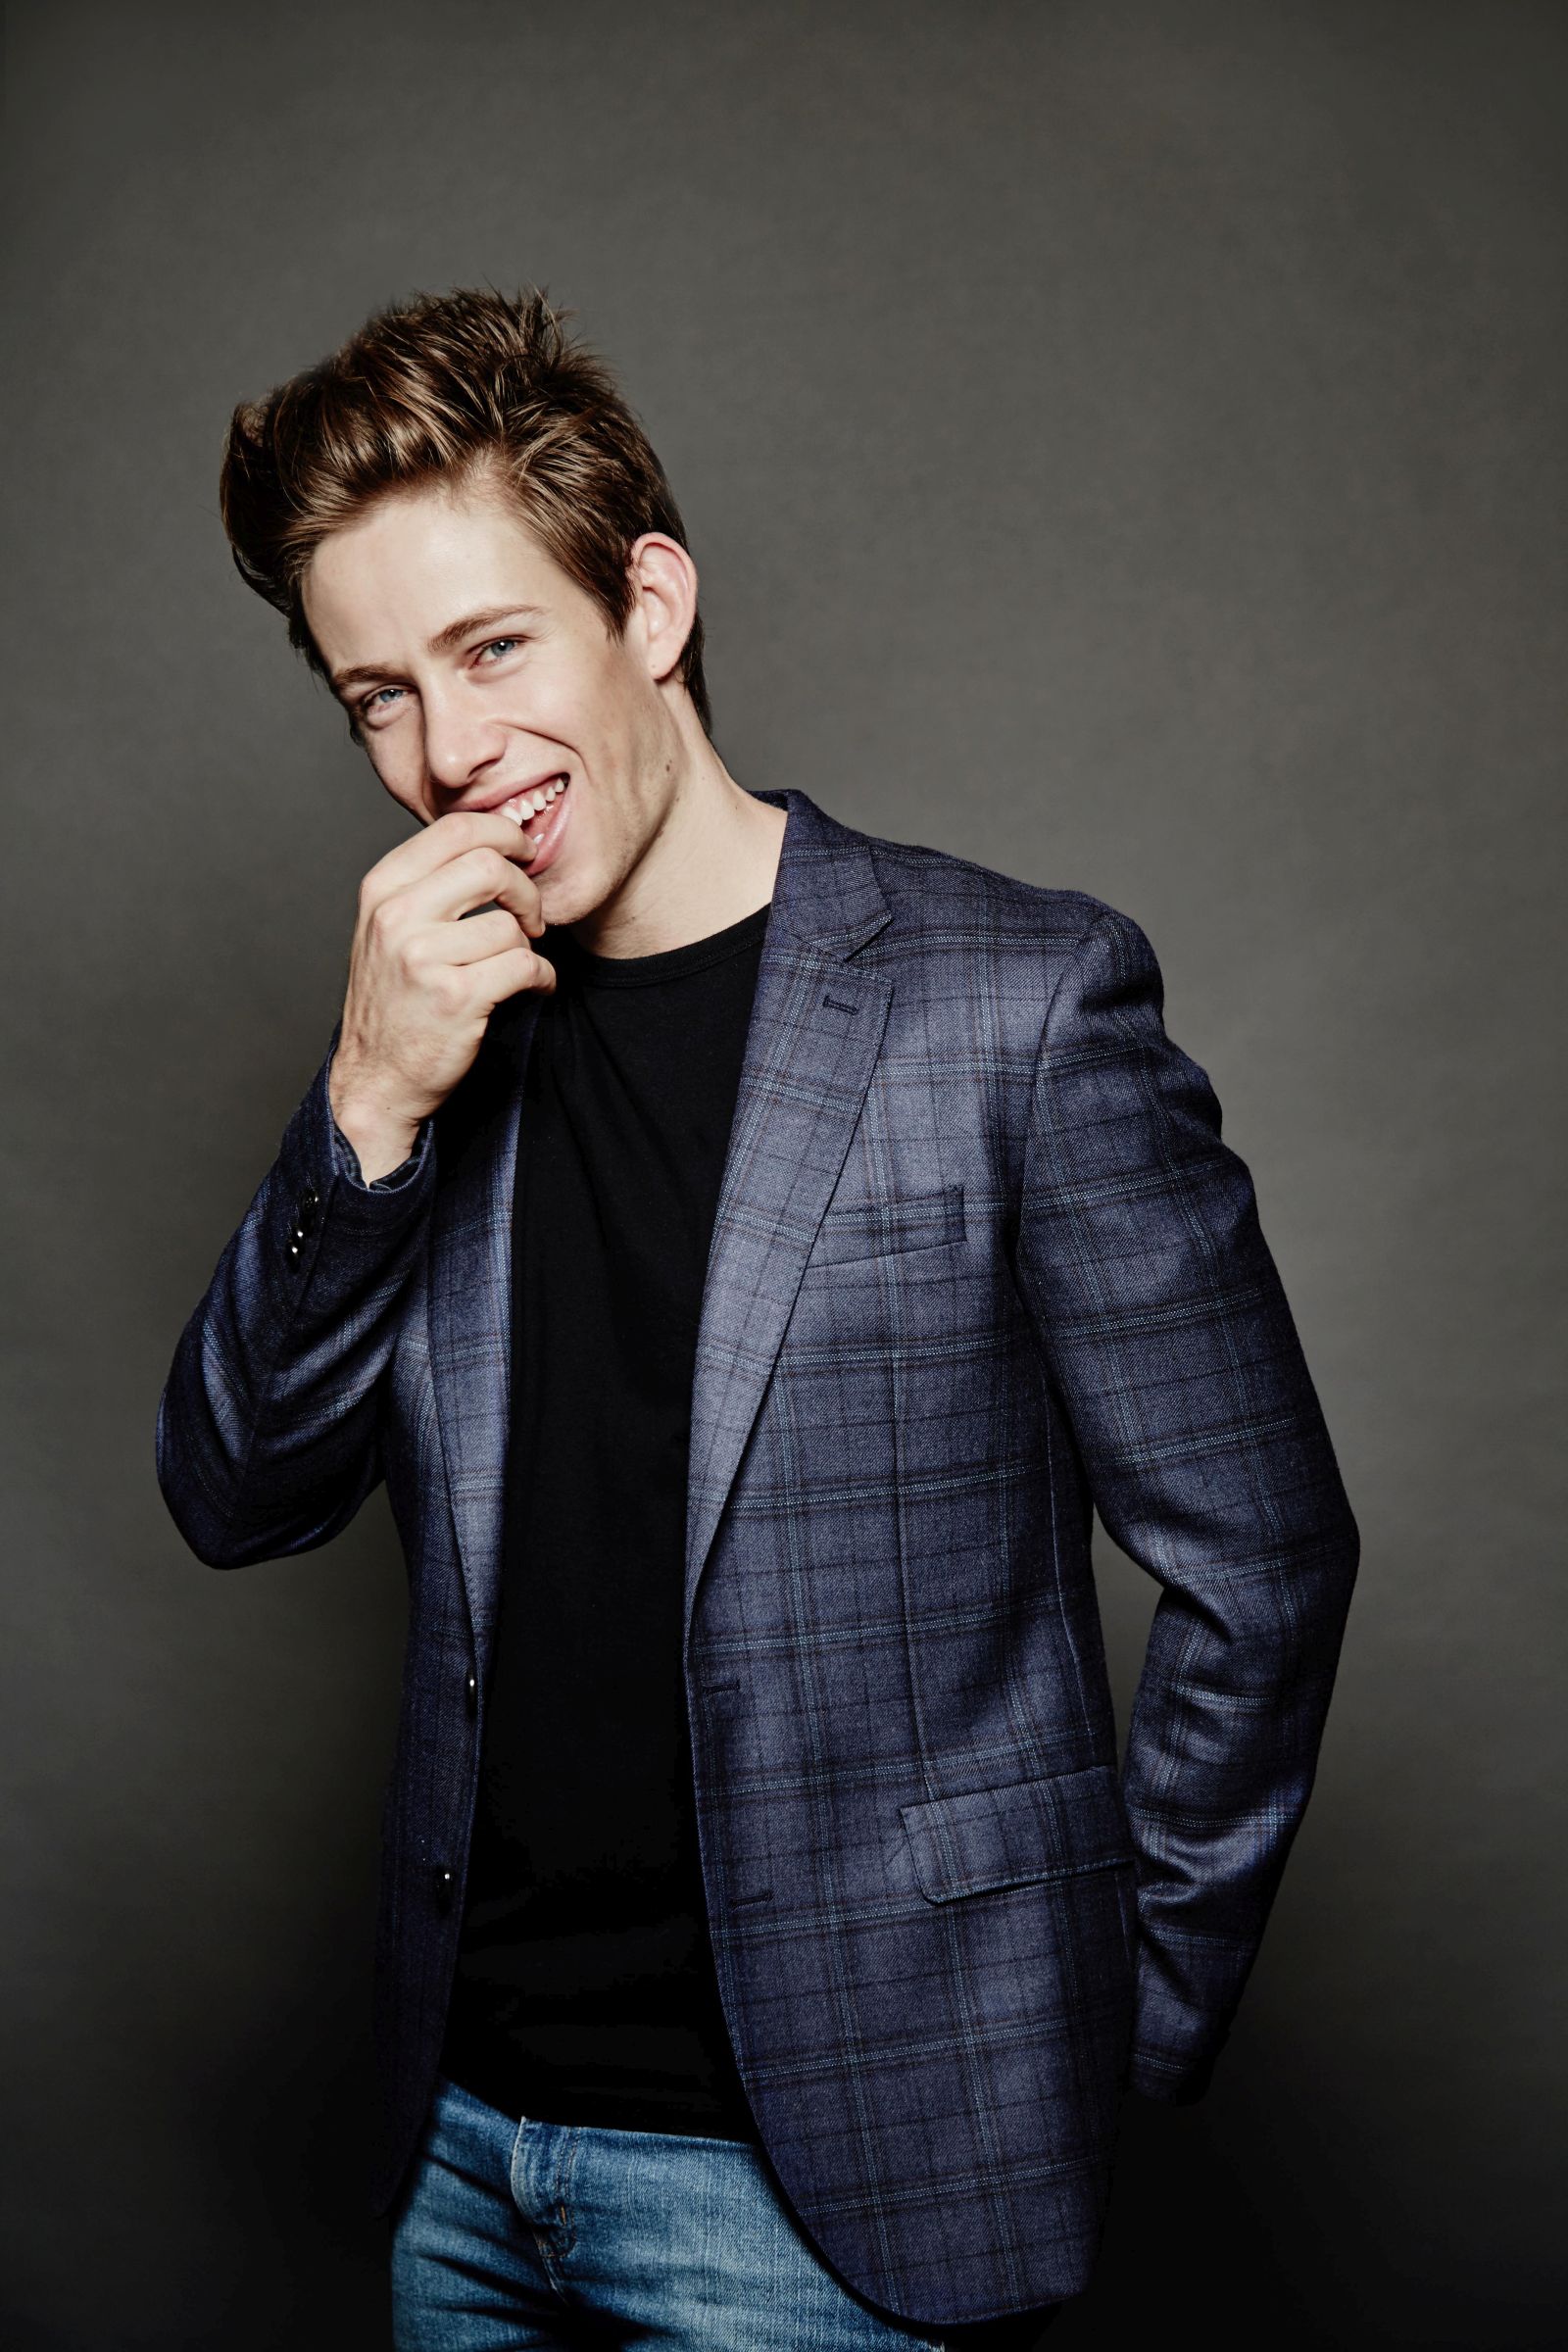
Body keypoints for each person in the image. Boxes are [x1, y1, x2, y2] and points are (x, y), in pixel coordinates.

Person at [155, 286, 1360, 2351]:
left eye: (488, 649)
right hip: (460, 2162)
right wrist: (363, 1105)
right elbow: (235, 1494)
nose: (444, 757)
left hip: (829, 2196)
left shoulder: (1012, 1008)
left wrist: (1089, 2031)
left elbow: (1265, 1556)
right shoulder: (432, 1034)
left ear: (649, 600)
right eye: (373, 697)